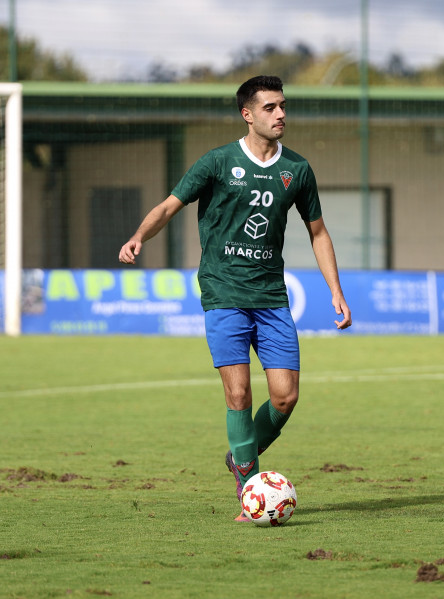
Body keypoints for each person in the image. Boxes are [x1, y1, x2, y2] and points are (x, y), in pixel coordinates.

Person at [119, 75, 352, 522]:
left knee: (285, 397)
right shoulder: (218, 162)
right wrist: (139, 237)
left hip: (271, 297)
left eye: (283, 106)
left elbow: (317, 231)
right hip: (224, 292)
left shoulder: (298, 170)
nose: (281, 114)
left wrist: (335, 292)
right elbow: (169, 205)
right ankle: (250, 487)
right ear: (248, 114)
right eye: (270, 108)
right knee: (239, 393)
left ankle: (240, 455)